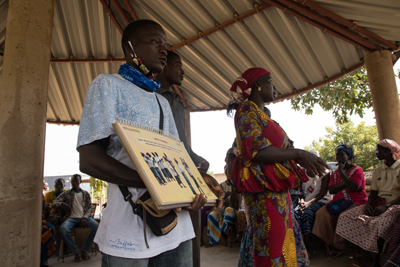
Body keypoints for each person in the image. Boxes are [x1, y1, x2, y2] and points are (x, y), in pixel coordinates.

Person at [77, 20, 221, 267]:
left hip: (177, 229)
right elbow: (90, 159)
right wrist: (155, 183)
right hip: (130, 231)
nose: (164, 50)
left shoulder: (162, 103)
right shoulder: (108, 85)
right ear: (131, 48)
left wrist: (196, 181)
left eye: (165, 45)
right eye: (155, 42)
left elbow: (175, 160)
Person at [226, 68, 328, 267]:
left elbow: (282, 151)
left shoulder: (267, 119)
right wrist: (298, 153)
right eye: (270, 81)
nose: (275, 88)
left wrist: (303, 165)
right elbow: (254, 150)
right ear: (257, 84)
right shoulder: (246, 110)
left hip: (278, 193)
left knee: (283, 245)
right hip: (263, 195)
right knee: (271, 246)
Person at [156, 50, 215, 267]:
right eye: (177, 65)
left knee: (189, 237)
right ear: (163, 65)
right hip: (165, 178)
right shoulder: (151, 97)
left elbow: (181, 144)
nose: (182, 70)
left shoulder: (179, 103)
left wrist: (198, 159)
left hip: (186, 176)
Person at [336, 139, 400, 266]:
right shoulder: (378, 170)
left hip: (395, 205)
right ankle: (366, 255)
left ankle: (376, 260)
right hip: (378, 204)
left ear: (388, 151)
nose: (376, 152)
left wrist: (387, 205)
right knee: (345, 217)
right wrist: (369, 205)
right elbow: (374, 193)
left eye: (378, 150)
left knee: (379, 223)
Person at [312, 143, 368, 258]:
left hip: (356, 202)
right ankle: (335, 245)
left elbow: (353, 187)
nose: (339, 158)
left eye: (342, 155)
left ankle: (348, 248)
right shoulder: (334, 173)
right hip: (338, 203)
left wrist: (342, 172)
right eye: (337, 155)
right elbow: (332, 190)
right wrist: (346, 183)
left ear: (348, 156)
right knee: (321, 214)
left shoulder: (357, 170)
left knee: (344, 216)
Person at [51, 174, 99, 262]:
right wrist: (62, 204)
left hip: (84, 218)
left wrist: (84, 217)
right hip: (71, 218)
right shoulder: (66, 193)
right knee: (63, 230)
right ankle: (76, 252)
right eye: (72, 181)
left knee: (97, 227)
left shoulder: (85, 194)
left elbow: (89, 208)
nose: (74, 183)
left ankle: (85, 251)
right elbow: (53, 203)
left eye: (76, 181)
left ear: (80, 182)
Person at [298, 151, 332, 245]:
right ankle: (299, 244)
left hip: (321, 201)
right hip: (306, 202)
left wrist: (308, 203)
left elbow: (322, 193)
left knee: (307, 214)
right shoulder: (302, 172)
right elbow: (301, 191)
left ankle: (307, 245)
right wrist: (302, 201)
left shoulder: (325, 172)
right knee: (295, 214)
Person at [40, 194, 57, 267]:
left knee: (50, 229)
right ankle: (40, 261)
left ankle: (43, 260)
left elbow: (44, 208)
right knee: (45, 231)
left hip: (41, 218)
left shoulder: (41, 196)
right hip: (34, 219)